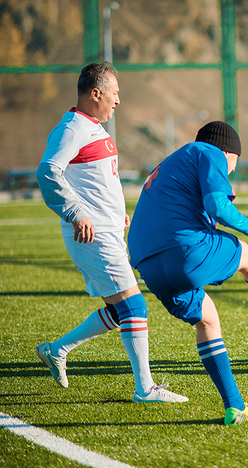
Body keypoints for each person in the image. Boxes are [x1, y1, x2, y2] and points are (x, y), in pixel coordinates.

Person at [127, 121, 248, 425]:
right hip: (181, 249)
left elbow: (191, 209)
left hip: (145, 263)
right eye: (233, 162)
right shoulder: (209, 152)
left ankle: (234, 406)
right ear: (229, 151)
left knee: (208, 320)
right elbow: (216, 205)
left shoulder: (174, 162)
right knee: (246, 254)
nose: (231, 169)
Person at [34, 61, 187, 403]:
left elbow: (95, 181)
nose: (118, 100)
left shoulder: (93, 127)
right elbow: (47, 172)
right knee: (135, 307)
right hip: (93, 236)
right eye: (115, 94)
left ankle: (57, 350)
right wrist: (75, 212)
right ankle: (145, 389)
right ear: (95, 93)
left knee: (120, 311)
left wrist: (119, 215)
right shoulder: (72, 128)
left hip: (107, 231)